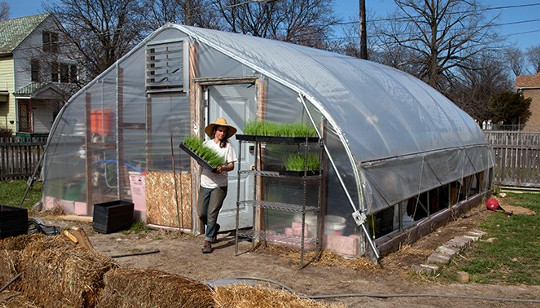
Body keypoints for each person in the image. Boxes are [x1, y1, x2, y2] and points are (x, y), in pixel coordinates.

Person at [198, 117, 237, 254]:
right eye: (220, 130)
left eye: (224, 131)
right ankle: (214, 228)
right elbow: (200, 161)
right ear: (214, 131)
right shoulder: (206, 145)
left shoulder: (228, 146)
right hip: (205, 183)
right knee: (201, 213)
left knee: (211, 213)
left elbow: (231, 165)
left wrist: (223, 168)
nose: (222, 134)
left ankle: (208, 241)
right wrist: (203, 163)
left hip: (220, 185)